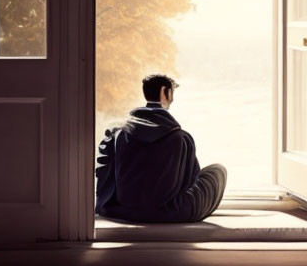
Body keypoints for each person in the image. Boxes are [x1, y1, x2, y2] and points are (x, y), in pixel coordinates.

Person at [95, 74, 227, 223]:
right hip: (168, 213)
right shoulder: (181, 138)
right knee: (218, 171)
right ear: (166, 92)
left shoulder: (119, 134)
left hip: (125, 211)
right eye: (172, 92)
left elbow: (105, 177)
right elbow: (190, 182)